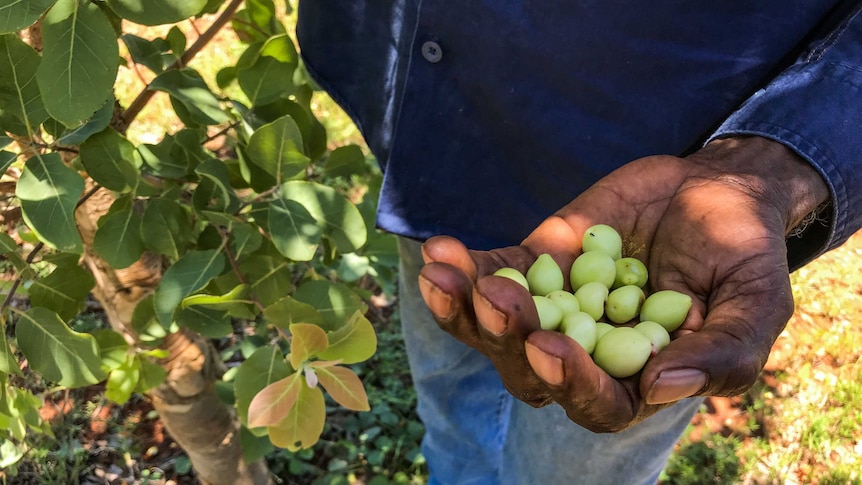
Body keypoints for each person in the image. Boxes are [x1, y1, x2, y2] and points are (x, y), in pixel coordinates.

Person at [296, 2, 862, 483]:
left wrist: (766, 164)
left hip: (669, 176)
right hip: (432, 145)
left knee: (575, 463)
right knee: (448, 400)